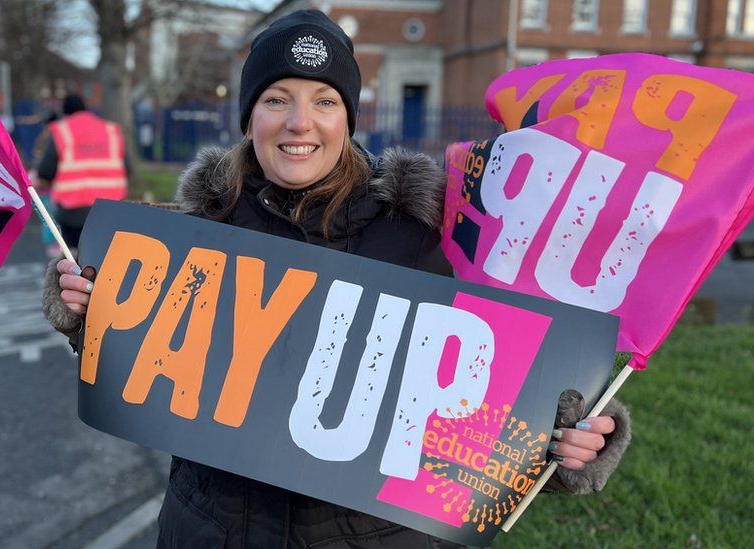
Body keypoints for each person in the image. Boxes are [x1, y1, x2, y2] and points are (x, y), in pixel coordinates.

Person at [42, 10, 631, 548]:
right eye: (276, 98)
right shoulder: (200, 233)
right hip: (213, 529)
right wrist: (89, 312)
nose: (300, 122)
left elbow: (498, 397)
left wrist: (571, 439)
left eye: (324, 100)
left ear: (348, 117)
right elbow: (141, 366)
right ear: (250, 115)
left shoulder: (425, 237)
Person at [36, 93, 129, 250]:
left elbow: (46, 171)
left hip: (73, 211)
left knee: (77, 260)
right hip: (109, 209)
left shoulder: (62, 131)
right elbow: (127, 167)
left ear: (65, 112)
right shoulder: (110, 130)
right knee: (104, 258)